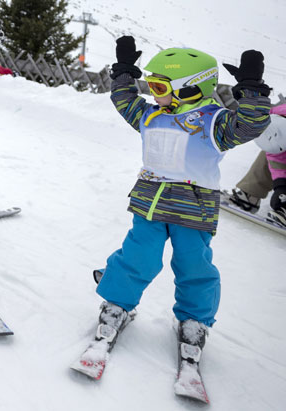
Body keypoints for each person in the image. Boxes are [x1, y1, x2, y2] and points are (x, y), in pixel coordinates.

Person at [90, 38, 271, 363]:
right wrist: (123, 73)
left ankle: (193, 322)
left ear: (190, 89)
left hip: (194, 212)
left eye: (160, 86)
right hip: (150, 207)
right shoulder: (150, 115)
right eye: (153, 85)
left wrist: (252, 92)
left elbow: (251, 125)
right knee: (137, 258)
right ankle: (116, 305)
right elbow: (124, 101)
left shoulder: (215, 122)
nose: (154, 94)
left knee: (194, 267)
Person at [226, 103, 286, 225]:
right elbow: (275, 155)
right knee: (273, 145)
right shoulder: (272, 119)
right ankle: (250, 195)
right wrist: (281, 186)